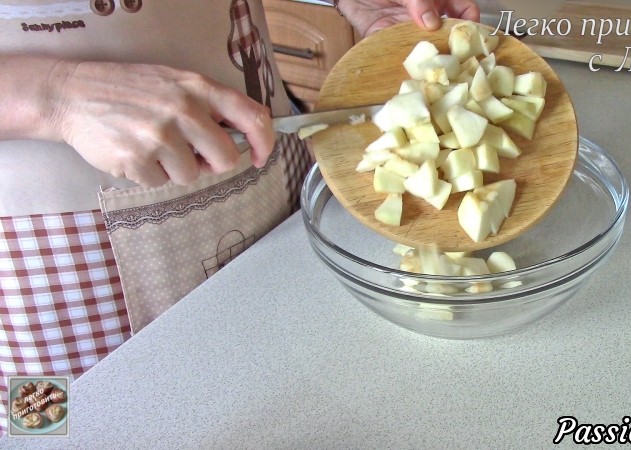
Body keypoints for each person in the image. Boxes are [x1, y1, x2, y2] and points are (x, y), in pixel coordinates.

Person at [0, 0, 479, 434]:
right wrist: (55, 93)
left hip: (271, 171)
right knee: (66, 428)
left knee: (295, 388)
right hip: (54, 249)